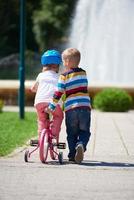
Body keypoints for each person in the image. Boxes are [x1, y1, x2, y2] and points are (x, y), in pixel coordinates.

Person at [48, 48, 91, 164]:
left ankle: (72, 155)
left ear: (66, 62)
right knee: (84, 131)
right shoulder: (83, 73)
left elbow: (58, 92)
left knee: (71, 134)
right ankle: (81, 144)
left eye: (63, 61)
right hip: (85, 108)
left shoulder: (63, 76)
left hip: (71, 109)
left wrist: (52, 106)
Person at [31, 50, 64, 142]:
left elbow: (33, 88)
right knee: (58, 116)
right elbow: (62, 89)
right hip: (54, 102)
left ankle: (42, 137)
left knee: (42, 119)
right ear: (57, 66)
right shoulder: (60, 77)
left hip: (39, 102)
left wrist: (35, 90)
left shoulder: (40, 75)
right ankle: (53, 134)